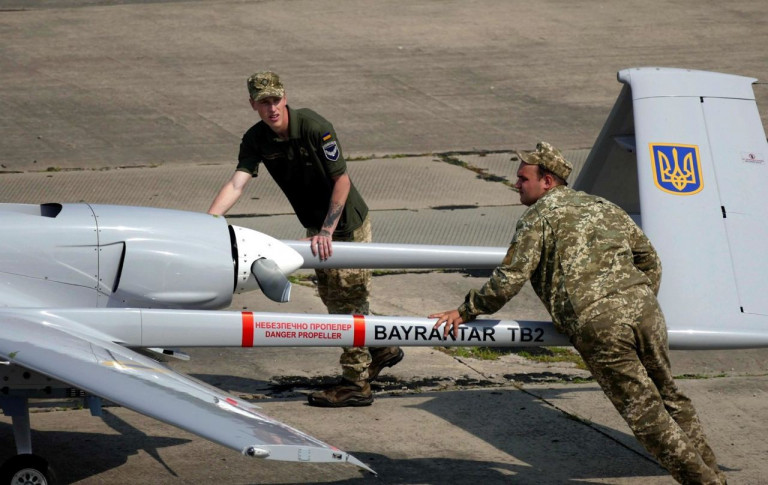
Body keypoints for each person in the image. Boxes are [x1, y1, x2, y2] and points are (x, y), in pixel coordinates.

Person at [430, 142, 726, 484]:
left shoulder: (538, 218)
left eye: (523, 178)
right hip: (645, 312)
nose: (516, 184)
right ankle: (713, 474)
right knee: (671, 397)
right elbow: (649, 259)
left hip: (599, 324)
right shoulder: (603, 206)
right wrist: (637, 297)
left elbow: (509, 278)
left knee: (646, 414)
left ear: (547, 182)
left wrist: (467, 310)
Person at [208, 71, 403, 408]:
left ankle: (356, 384)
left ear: (285, 98)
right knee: (334, 298)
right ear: (252, 104)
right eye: (264, 102)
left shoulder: (315, 128)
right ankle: (380, 346)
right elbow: (237, 183)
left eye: (276, 100)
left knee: (347, 307)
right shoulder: (256, 138)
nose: (272, 108)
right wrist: (208, 222)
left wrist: (327, 230)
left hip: (346, 226)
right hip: (318, 228)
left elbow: (342, 180)